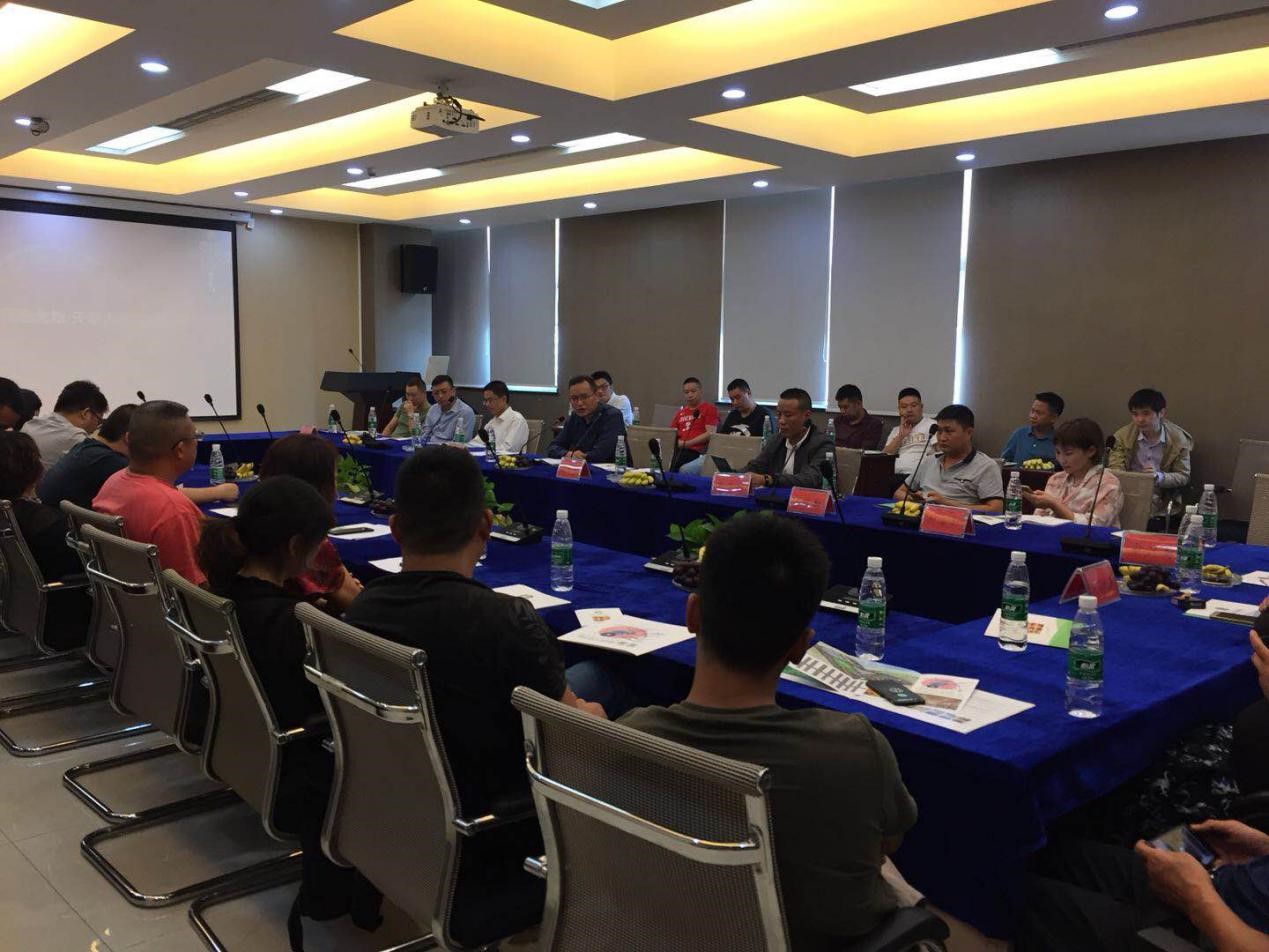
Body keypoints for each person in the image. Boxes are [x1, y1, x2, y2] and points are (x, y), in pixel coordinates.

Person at [342, 448, 603, 945]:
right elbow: (574, 732)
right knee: (603, 686)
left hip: (392, 808)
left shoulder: (364, 607)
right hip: (491, 831)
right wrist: (596, 716)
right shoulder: (507, 622)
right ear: (485, 525)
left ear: (395, 529)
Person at [621, 515, 918, 949]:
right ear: (801, 646)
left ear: (692, 614)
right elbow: (887, 841)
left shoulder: (629, 737)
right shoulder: (854, 750)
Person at [196, 476, 381, 937]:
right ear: (297, 546)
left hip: (239, 746)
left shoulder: (220, 593)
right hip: (300, 769)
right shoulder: (293, 625)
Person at [1019, 625, 1269, 952]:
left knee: (1016, 901)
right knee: (1033, 856)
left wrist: (1197, 898)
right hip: (1234, 885)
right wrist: (1263, 846)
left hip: (1214, 928)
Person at [92, 400, 211, 585]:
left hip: (128, 597)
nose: (196, 442)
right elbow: (194, 591)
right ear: (180, 450)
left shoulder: (113, 482)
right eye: (195, 436)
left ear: (129, 439)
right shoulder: (174, 511)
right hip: (172, 601)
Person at [0, 430, 90, 647]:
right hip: (60, 618)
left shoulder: (13, 517)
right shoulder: (50, 527)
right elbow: (88, 568)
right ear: (35, 471)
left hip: (17, 607)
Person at [258, 433, 362, 612]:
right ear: (320, 487)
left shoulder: (252, 526)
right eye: (334, 480)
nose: (336, 493)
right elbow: (358, 605)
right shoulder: (308, 541)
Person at [899, 405, 1004, 513]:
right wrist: (915, 500)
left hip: (959, 521)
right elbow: (899, 493)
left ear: (969, 432)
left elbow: (996, 510)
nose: (942, 438)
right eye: (939, 431)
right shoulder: (929, 460)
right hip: (923, 517)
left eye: (949, 431)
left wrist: (945, 503)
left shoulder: (986, 466)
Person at [1107, 388, 1193, 517]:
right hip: (1127, 490)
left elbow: (1183, 476)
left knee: (1148, 503)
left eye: (1146, 413)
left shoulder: (1178, 440)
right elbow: (1115, 470)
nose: (1140, 419)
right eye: (1135, 414)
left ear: (1161, 413)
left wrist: (1159, 477)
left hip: (1160, 494)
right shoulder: (1122, 436)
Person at [1024, 418, 1123, 527]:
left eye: (1068, 453)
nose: (1062, 460)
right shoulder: (1056, 479)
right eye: (1058, 452)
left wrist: (1054, 504)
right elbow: (1038, 519)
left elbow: (1094, 526)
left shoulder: (1108, 484)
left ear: (1091, 451)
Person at [37, 404, 135, 512]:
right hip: (58, 520)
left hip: (44, 516)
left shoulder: (85, 447)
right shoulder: (114, 463)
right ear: (129, 438)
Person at [744, 388, 835, 489]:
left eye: (788, 415)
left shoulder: (822, 443)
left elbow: (811, 479)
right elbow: (756, 466)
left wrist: (769, 480)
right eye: (779, 415)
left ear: (806, 415)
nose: (781, 421)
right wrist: (735, 474)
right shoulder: (777, 439)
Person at [679, 378, 772, 475]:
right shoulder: (733, 414)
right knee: (685, 470)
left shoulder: (764, 416)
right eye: (732, 399)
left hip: (746, 458)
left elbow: (766, 448)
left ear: (748, 393)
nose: (735, 402)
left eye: (738, 397)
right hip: (725, 455)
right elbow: (721, 439)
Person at [22, 380, 108, 469]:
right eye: (98, 420)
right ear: (86, 414)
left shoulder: (30, 425)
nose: (96, 427)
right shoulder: (76, 439)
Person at [547, 375, 626, 463]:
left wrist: (578, 456)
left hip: (611, 470)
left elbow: (599, 455)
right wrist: (569, 454)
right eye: (574, 398)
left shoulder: (612, 416)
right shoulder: (575, 417)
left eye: (584, 397)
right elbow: (552, 448)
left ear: (596, 396)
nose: (579, 403)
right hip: (580, 467)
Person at [882, 388, 938, 477]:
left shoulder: (932, 425)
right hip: (894, 474)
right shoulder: (896, 430)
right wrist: (901, 436)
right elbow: (884, 456)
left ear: (921, 407)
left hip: (918, 476)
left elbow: (941, 452)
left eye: (914, 405)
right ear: (899, 410)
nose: (909, 410)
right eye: (904, 407)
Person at [669, 377, 720, 471]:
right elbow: (671, 434)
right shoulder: (680, 413)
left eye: (693, 391)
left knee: (674, 464)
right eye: (686, 392)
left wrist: (687, 443)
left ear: (701, 391)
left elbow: (711, 433)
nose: (690, 395)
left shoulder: (709, 408)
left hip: (696, 451)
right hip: (678, 449)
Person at [1000, 392, 1064, 464]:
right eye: (1032, 411)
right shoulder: (1019, 434)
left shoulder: (1059, 440)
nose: (1033, 416)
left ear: (1053, 418)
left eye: (1039, 413)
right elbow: (1003, 462)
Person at [417, 374, 476, 444]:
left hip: (449, 449)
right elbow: (424, 435)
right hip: (429, 446)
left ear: (453, 391)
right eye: (436, 393)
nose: (440, 396)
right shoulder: (433, 409)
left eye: (444, 392)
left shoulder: (465, 412)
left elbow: (462, 443)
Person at [480, 380, 529, 455]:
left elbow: (509, 449)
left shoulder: (517, 420)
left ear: (504, 399)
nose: (487, 404)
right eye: (485, 401)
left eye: (490, 400)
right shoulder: (493, 421)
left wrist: (486, 449)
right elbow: (477, 442)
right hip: (491, 457)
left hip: (508, 461)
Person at [832, 384, 885, 450]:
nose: (842, 411)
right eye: (840, 407)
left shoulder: (873, 424)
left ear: (858, 404)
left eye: (846, 407)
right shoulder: (838, 421)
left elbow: (865, 451)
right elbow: (828, 443)